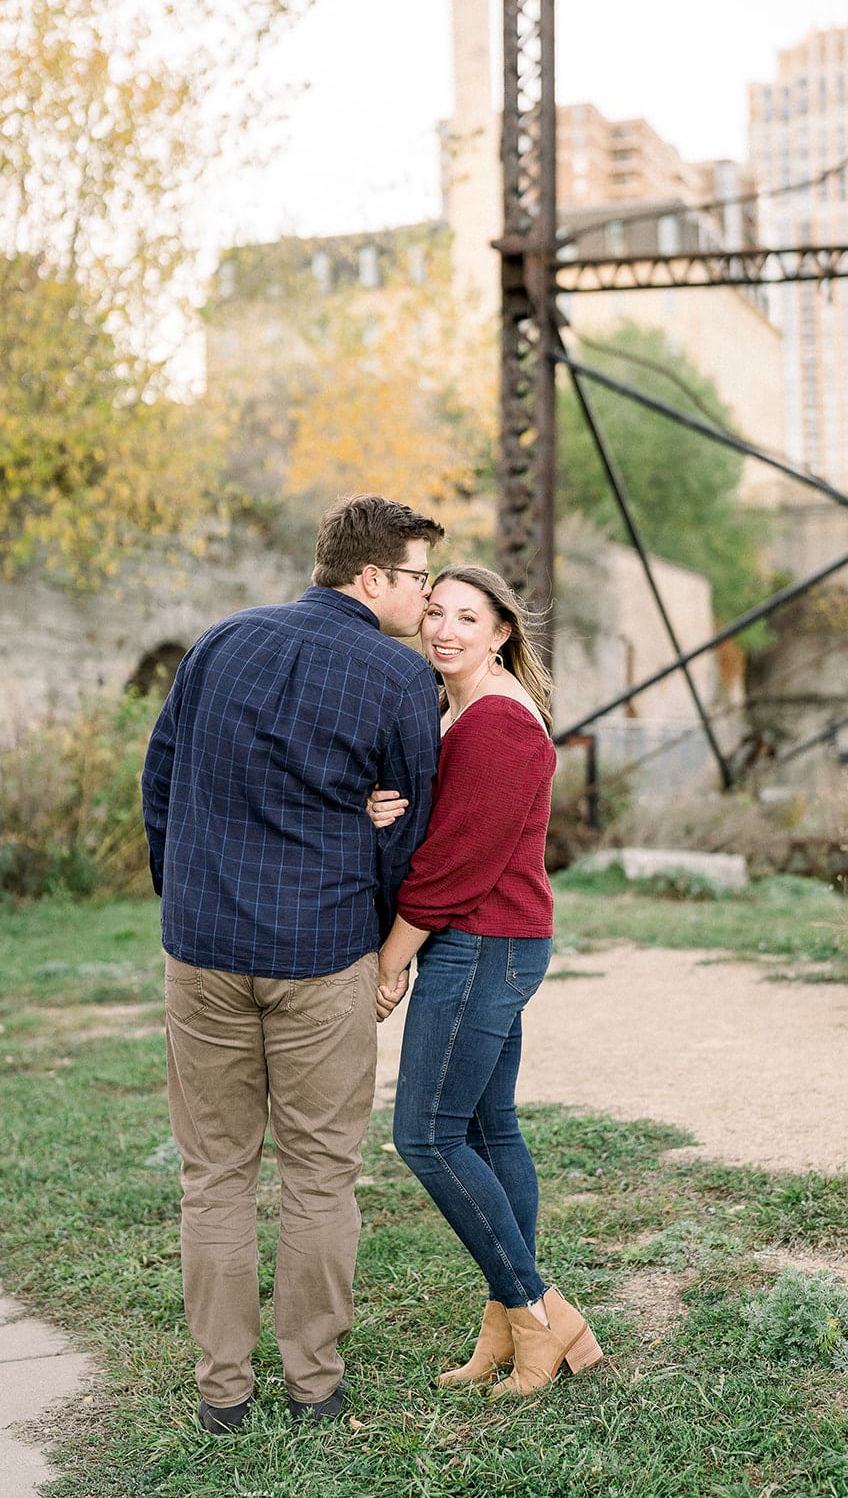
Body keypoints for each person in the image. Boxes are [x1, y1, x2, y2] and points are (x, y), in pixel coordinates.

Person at [141, 494, 444, 1431]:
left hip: (203, 951)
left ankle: (222, 1394)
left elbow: (160, 783)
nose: (428, 600)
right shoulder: (396, 680)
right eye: (419, 579)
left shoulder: (220, 642)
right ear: (371, 580)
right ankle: (314, 1386)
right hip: (323, 955)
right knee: (319, 1174)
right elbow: (415, 829)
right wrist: (378, 907)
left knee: (216, 1175)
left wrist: (187, 896)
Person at [369, 565, 604, 1400]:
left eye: (467, 617)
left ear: (500, 631)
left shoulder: (494, 723)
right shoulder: (457, 712)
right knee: (488, 1128)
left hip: (482, 942)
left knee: (428, 1136)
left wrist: (391, 959)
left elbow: (454, 867)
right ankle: (506, 1326)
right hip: (492, 940)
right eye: (434, 611)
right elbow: (444, 829)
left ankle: (537, 1311)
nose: (444, 629)